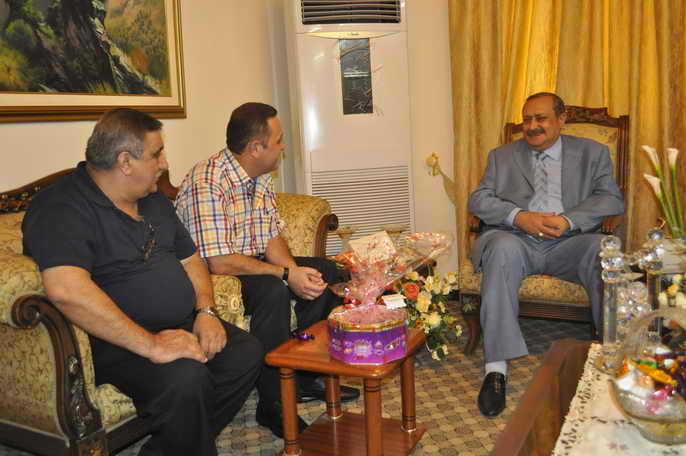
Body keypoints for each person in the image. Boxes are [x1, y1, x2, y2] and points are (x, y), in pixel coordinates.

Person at [21, 108, 265, 456]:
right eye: (156, 154)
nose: (165, 164)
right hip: (110, 340)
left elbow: (191, 259)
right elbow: (66, 290)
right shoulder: (61, 207)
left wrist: (206, 311)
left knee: (244, 352)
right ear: (125, 161)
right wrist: (152, 345)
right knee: (185, 378)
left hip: (178, 323)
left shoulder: (151, 199)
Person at [174, 102, 360, 425]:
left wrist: (295, 271)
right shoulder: (208, 182)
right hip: (213, 276)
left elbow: (271, 238)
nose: (283, 146)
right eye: (279, 140)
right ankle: (273, 403)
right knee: (274, 290)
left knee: (325, 271)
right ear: (255, 148)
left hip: (247, 263)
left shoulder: (259, 177)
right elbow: (219, 261)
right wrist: (285, 274)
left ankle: (303, 377)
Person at [468, 93, 624, 418]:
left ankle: (612, 358)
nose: (532, 126)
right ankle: (496, 370)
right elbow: (479, 200)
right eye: (527, 119)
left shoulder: (593, 152)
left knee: (604, 250)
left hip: (569, 242)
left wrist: (569, 220)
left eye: (541, 118)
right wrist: (518, 217)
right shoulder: (502, 156)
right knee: (500, 248)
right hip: (516, 240)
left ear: (561, 119)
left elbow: (610, 199)